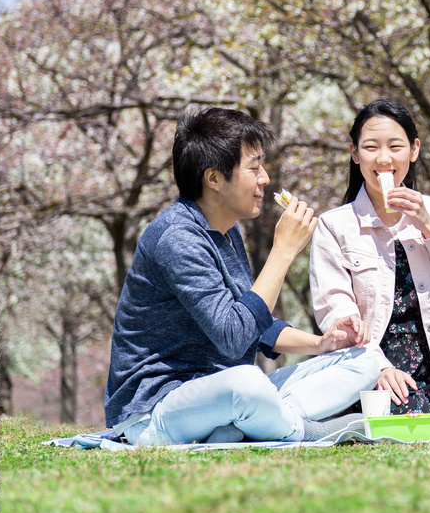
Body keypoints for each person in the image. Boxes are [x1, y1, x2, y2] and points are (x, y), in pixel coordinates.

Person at [104, 107, 381, 445]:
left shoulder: (227, 231)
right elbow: (233, 336)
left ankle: (254, 424)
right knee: (248, 383)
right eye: (254, 167)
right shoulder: (177, 237)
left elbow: (254, 322)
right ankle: (303, 430)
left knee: (365, 360)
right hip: (156, 408)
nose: (264, 178)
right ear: (214, 179)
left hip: (220, 394)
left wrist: (322, 344)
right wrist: (283, 251)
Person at [310, 99, 430, 427]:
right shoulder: (334, 226)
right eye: (370, 147)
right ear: (355, 153)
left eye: (396, 146)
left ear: (414, 150)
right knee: (393, 415)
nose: (384, 159)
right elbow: (335, 311)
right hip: (372, 372)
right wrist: (377, 367)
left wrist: (429, 227)